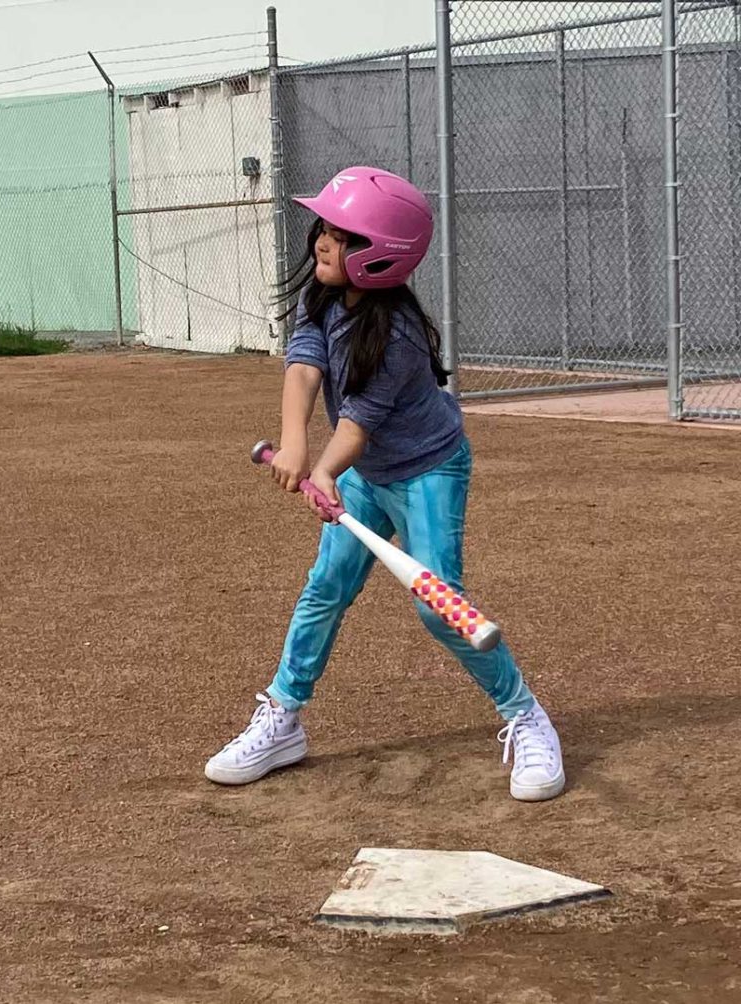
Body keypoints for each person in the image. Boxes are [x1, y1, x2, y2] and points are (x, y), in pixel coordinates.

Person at [204, 166, 564, 802]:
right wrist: (295, 445)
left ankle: (526, 715)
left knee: (438, 607)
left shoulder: (395, 334)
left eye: (344, 234)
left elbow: (358, 424)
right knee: (326, 588)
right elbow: (303, 368)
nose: (323, 239)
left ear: (381, 257)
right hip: (369, 474)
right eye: (326, 225)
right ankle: (283, 718)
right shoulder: (322, 298)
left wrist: (322, 470)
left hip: (428, 471)